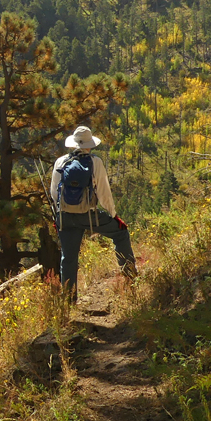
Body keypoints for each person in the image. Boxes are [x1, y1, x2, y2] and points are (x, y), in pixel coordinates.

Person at [51, 125, 137, 301]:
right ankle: (130, 279)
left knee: (68, 258)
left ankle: (68, 301)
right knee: (120, 234)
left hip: (65, 216)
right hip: (89, 215)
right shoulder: (94, 162)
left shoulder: (60, 162)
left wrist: (60, 215)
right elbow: (104, 193)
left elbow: (54, 192)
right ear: (89, 145)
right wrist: (113, 215)